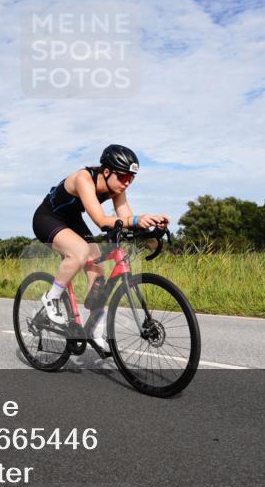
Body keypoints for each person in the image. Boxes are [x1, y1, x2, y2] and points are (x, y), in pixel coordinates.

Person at [31, 144, 169, 347]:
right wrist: (137, 220)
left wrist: (150, 225)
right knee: (79, 252)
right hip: (47, 218)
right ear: (107, 171)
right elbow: (101, 220)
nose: (127, 183)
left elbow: (126, 217)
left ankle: (94, 327)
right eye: (123, 177)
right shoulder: (83, 179)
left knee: (97, 271)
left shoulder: (116, 188)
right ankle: (51, 298)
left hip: (72, 219)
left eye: (131, 179)